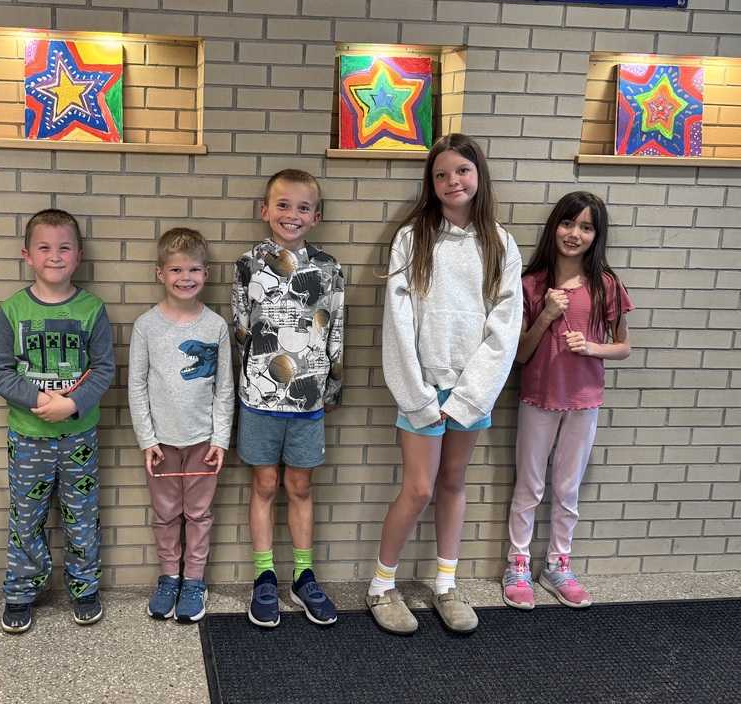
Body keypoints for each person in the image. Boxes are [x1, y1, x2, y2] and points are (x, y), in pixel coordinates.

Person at [369, 134, 522, 635]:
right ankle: (381, 586)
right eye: (441, 175)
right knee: (416, 489)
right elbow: (397, 321)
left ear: (479, 175)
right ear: (430, 184)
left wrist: (470, 397)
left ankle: (445, 584)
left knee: (453, 483)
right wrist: (416, 397)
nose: (452, 181)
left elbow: (505, 326)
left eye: (462, 171)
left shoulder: (500, 243)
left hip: (470, 391)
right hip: (422, 388)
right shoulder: (412, 238)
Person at [0, 209, 115, 633]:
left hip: (79, 437)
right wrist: (40, 398)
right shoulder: (12, 310)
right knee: (27, 517)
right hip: (28, 437)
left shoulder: (93, 309)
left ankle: (84, 587)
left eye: (64, 248)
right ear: (27, 255)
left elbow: (104, 369)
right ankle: (22, 591)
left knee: (82, 516)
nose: (54, 256)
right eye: (44, 247)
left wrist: (73, 403)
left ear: (79, 256)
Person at [503, 191, 633, 610]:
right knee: (529, 485)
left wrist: (592, 348)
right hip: (538, 396)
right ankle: (517, 563)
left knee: (567, 487)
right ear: (553, 226)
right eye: (567, 223)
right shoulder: (531, 284)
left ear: (597, 235)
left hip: (584, 400)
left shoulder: (605, 284)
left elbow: (624, 347)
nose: (574, 233)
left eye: (586, 227)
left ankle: (558, 564)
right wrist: (546, 314)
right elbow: (520, 355)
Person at [232, 168, 345, 628]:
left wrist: (333, 384)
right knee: (264, 484)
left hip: (309, 400)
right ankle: (264, 577)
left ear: (316, 216)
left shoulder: (330, 268)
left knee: (299, 486)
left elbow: (336, 328)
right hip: (259, 396)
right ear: (265, 211)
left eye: (302, 208)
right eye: (282, 205)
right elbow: (240, 327)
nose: (291, 215)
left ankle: (302, 575)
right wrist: (242, 384)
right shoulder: (247, 264)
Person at [128, 228, 234, 623]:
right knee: (166, 513)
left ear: (206, 274)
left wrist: (220, 439)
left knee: (200, 514)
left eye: (193, 269)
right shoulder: (146, 326)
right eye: (175, 269)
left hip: (203, 442)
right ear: (160, 274)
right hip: (161, 444)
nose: (184, 277)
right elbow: (136, 385)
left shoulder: (215, 327)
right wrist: (147, 439)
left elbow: (225, 389)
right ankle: (169, 576)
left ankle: (194, 580)